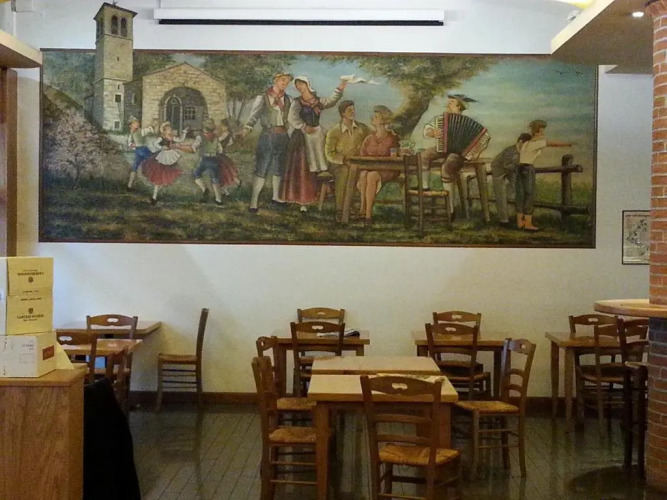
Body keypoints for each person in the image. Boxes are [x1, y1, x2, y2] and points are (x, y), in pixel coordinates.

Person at [280, 75, 346, 211]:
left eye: (301, 84)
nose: (299, 87)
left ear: (307, 84)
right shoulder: (297, 102)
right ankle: (303, 201)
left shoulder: (318, 101)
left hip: (317, 137)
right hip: (302, 138)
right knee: (303, 168)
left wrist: (341, 86)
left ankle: (320, 195)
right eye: (297, 85)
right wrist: (304, 126)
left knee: (321, 165)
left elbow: (332, 101)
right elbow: (292, 118)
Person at [420, 94, 490, 212]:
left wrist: (476, 152)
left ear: (459, 107)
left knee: (447, 167)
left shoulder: (467, 122)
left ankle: (450, 209)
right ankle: (425, 187)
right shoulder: (441, 119)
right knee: (424, 155)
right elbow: (427, 130)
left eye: (451, 102)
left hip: (459, 153)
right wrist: (433, 133)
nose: (448, 104)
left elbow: (485, 138)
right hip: (442, 148)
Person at [242, 72, 293, 213]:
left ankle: (276, 197)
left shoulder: (288, 99)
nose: (285, 83)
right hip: (267, 136)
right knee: (262, 168)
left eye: (287, 81)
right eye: (283, 80)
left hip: (283, 136)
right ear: (275, 80)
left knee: (279, 168)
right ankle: (253, 202)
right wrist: (247, 128)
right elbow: (254, 115)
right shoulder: (263, 97)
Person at [516, 119, 573, 231]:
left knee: (521, 195)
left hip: (520, 168)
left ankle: (519, 222)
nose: (543, 133)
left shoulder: (525, 143)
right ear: (539, 131)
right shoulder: (536, 143)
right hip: (528, 169)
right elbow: (553, 144)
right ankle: (528, 224)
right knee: (530, 195)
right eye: (542, 130)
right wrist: (568, 144)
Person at [324, 100, 370, 221]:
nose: (353, 112)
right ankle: (340, 210)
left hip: (357, 163)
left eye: (353, 109)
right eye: (349, 110)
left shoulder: (362, 128)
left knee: (361, 173)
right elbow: (329, 154)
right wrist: (343, 160)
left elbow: (372, 140)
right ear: (342, 113)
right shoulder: (334, 131)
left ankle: (355, 209)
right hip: (338, 164)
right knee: (345, 172)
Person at [356, 105, 400, 225]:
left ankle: (368, 215)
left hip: (388, 169)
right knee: (364, 174)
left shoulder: (392, 138)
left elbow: (394, 158)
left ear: (383, 120)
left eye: (376, 116)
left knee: (372, 175)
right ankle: (362, 210)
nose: (373, 118)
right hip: (370, 168)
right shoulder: (369, 139)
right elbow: (362, 156)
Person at [491, 133, 532, 227]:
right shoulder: (511, 151)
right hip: (499, 171)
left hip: (511, 171)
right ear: (520, 142)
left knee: (517, 192)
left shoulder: (521, 151)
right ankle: (503, 221)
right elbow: (507, 165)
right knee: (501, 195)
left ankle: (518, 218)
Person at [140, 121, 186, 206]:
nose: (170, 131)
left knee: (166, 177)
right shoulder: (161, 138)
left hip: (170, 157)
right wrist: (161, 147)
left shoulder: (172, 138)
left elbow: (181, 139)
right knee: (159, 178)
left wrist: (184, 132)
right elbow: (155, 144)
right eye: (169, 129)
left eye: (171, 129)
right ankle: (154, 197)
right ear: (164, 131)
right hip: (162, 157)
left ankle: (154, 196)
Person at [184, 118, 226, 206]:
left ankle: (205, 189)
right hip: (214, 159)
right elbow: (220, 150)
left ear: (204, 128)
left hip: (204, 159)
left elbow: (193, 148)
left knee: (196, 173)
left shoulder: (200, 137)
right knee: (215, 178)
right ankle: (218, 199)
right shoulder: (216, 138)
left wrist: (181, 146)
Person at [126, 116, 156, 191]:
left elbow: (130, 143)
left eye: (138, 122)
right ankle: (153, 182)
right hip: (143, 150)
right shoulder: (139, 131)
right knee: (153, 161)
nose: (138, 124)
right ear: (131, 125)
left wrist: (133, 145)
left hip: (138, 151)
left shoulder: (133, 132)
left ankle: (129, 185)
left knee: (135, 167)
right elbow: (148, 130)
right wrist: (152, 126)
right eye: (135, 123)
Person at [216, 118, 241, 196]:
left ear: (226, 126)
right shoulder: (229, 134)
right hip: (222, 154)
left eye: (222, 126)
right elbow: (230, 143)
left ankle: (226, 190)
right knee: (226, 172)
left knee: (224, 172)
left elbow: (218, 140)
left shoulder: (225, 133)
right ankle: (236, 183)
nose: (221, 127)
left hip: (220, 154)